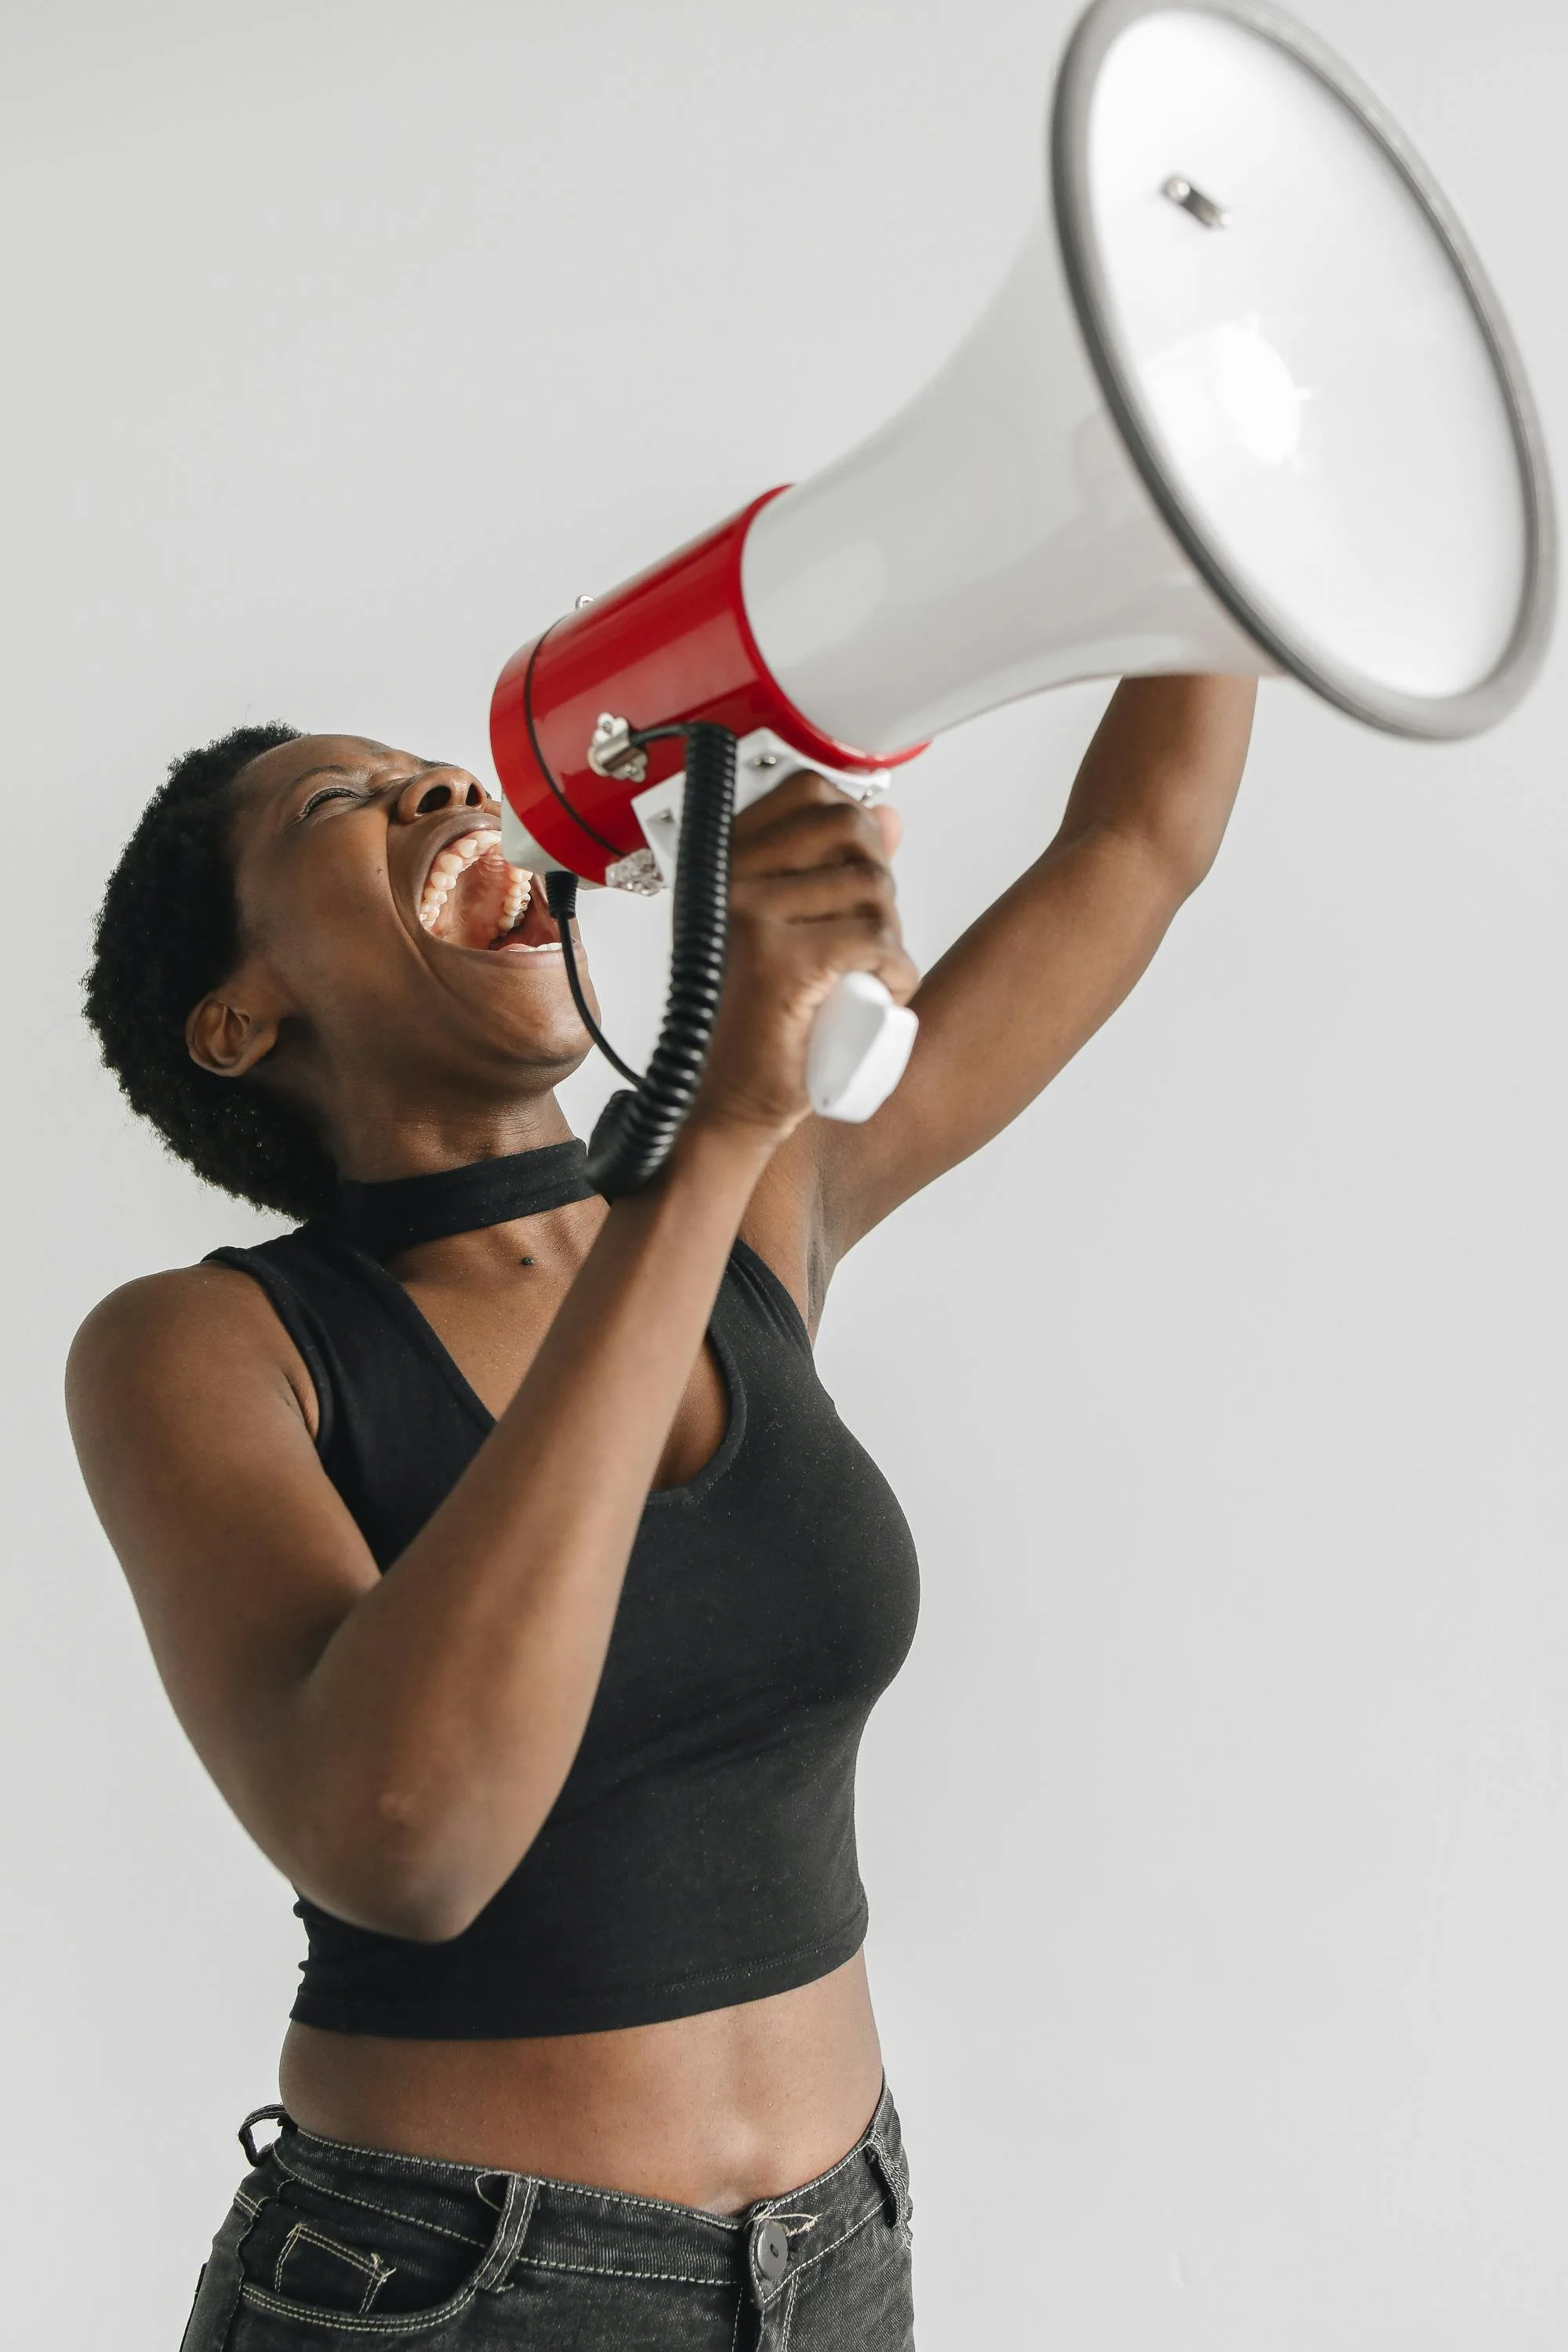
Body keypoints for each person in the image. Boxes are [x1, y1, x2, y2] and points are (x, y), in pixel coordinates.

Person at [68, 677, 1256, 2350]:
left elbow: (1138, 845)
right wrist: (716, 1127)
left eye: (434, 775)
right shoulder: (210, 1347)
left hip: (842, 2254)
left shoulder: (763, 1203)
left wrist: (1186, 540)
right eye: (340, 806)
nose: (432, 789)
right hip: (448, 2295)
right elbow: (404, 1843)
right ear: (238, 1018)